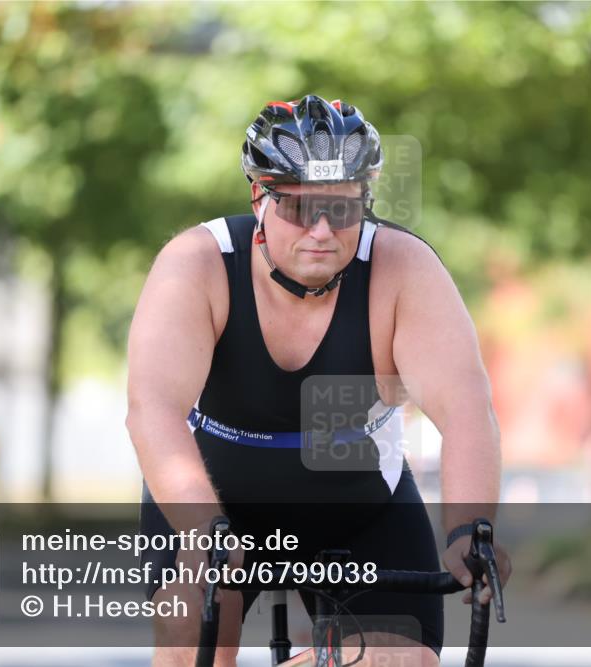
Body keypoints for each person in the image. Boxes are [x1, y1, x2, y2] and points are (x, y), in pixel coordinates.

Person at [126, 95, 508, 666]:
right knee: (191, 646)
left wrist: (467, 530)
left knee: (397, 662)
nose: (323, 231)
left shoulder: (403, 268)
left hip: (358, 512)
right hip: (215, 505)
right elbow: (152, 409)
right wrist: (201, 529)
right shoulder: (197, 263)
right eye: (301, 209)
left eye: (343, 208)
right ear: (260, 197)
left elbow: (466, 408)